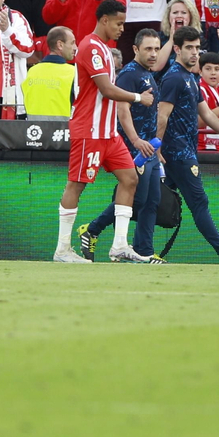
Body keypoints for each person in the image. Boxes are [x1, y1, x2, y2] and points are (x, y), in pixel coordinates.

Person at [53, 0, 156, 263]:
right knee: (76, 185)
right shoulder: (91, 47)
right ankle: (62, 250)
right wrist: (138, 97)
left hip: (108, 133)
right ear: (104, 20)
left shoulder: (104, 49)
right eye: (119, 23)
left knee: (130, 179)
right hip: (90, 130)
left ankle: (119, 245)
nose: (122, 28)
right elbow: (106, 89)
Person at [153, 25, 219, 262]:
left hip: (180, 151)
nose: (194, 53)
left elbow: (208, 115)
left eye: (197, 48)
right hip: (178, 153)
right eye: (189, 47)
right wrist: (156, 147)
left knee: (147, 198)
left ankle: (99, 231)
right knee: (198, 201)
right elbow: (162, 116)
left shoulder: (190, 78)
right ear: (177, 49)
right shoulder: (174, 78)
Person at [75, 26, 163, 262]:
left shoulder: (147, 73)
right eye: (148, 49)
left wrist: (156, 148)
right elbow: (122, 109)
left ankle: (144, 251)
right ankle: (93, 228)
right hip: (135, 147)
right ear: (135, 49)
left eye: (157, 49)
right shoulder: (129, 74)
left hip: (150, 148)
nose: (153, 54)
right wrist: (135, 140)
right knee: (139, 199)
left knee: (152, 201)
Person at [22, 26, 78, 119]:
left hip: (33, 127)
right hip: (63, 127)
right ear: (60, 45)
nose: (75, 47)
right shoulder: (73, 72)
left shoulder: (32, 72)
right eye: (72, 43)